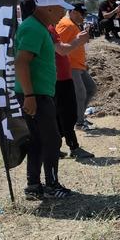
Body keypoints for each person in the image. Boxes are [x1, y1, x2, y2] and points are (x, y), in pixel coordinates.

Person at [15, 0, 74, 199]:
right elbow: (22, 62)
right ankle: (51, 185)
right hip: (36, 95)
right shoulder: (34, 29)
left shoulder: (39, 27)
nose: (63, 14)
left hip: (38, 93)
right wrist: (30, 96)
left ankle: (33, 186)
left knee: (39, 140)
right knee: (52, 140)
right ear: (48, 8)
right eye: (60, 10)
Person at [49, 20, 94, 159]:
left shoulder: (50, 27)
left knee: (62, 116)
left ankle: (55, 147)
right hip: (59, 78)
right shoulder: (48, 28)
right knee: (67, 115)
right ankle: (72, 147)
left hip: (63, 76)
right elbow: (61, 50)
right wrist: (78, 41)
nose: (62, 12)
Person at [57, 3, 97, 132]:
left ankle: (79, 117)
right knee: (80, 93)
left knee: (90, 88)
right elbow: (58, 46)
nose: (84, 17)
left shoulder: (73, 24)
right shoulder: (66, 24)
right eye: (81, 14)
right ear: (73, 11)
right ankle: (79, 122)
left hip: (79, 65)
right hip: (71, 65)